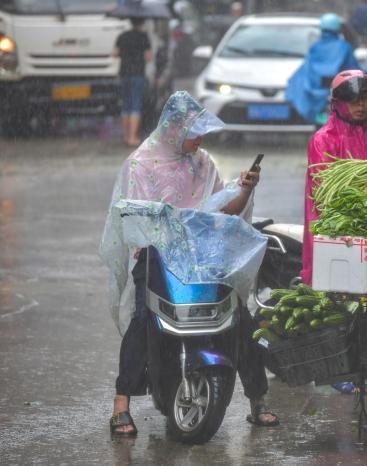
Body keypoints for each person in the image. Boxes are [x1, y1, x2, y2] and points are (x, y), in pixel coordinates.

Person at [101, 91, 278, 436]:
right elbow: (136, 219)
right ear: (174, 131)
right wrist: (170, 226)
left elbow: (221, 208)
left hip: (202, 253)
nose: (200, 140)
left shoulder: (203, 162)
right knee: (143, 317)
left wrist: (242, 190)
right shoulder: (141, 164)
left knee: (238, 316)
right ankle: (121, 403)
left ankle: (258, 400)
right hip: (156, 255)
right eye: (194, 133)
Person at [301, 70, 367, 287]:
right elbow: (326, 194)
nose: (360, 105)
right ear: (338, 103)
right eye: (353, 100)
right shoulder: (323, 140)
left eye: (365, 99)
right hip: (333, 230)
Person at [286, 13, 362, 125]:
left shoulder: (315, 47)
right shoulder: (344, 47)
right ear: (337, 29)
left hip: (316, 95)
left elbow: (305, 71)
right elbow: (353, 69)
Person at [113, 18, 152, 147]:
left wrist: (125, 53)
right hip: (138, 74)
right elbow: (149, 57)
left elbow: (114, 53)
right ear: (141, 22)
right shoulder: (143, 37)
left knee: (126, 106)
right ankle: (132, 137)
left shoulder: (122, 36)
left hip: (124, 74)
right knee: (135, 105)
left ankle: (125, 136)